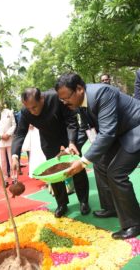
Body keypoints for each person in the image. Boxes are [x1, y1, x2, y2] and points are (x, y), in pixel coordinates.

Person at [55, 72, 140, 239]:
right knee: (100, 164)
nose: (65, 103)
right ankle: (111, 207)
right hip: (120, 132)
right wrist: (73, 146)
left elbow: (107, 132)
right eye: (62, 100)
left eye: (67, 98)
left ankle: (134, 223)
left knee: (116, 172)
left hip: (135, 129)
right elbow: (86, 129)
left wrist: (83, 161)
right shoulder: (79, 104)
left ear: (79, 89)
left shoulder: (102, 93)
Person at [11, 87, 90, 218]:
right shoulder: (26, 111)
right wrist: (15, 156)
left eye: (34, 107)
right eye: (29, 108)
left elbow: (71, 121)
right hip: (48, 140)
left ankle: (83, 201)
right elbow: (20, 133)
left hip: (67, 135)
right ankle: (62, 204)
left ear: (42, 98)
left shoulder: (56, 97)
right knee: (52, 172)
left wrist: (71, 142)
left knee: (77, 168)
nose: (32, 112)